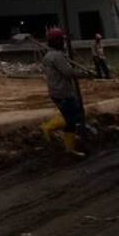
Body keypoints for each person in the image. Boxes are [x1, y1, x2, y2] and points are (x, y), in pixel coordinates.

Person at [40, 27, 85, 157]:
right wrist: (82, 74)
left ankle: (69, 148)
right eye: (62, 40)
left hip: (55, 91)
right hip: (63, 92)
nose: (64, 42)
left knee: (71, 118)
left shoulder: (48, 56)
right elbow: (68, 72)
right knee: (73, 118)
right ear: (57, 41)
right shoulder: (57, 56)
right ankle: (47, 127)